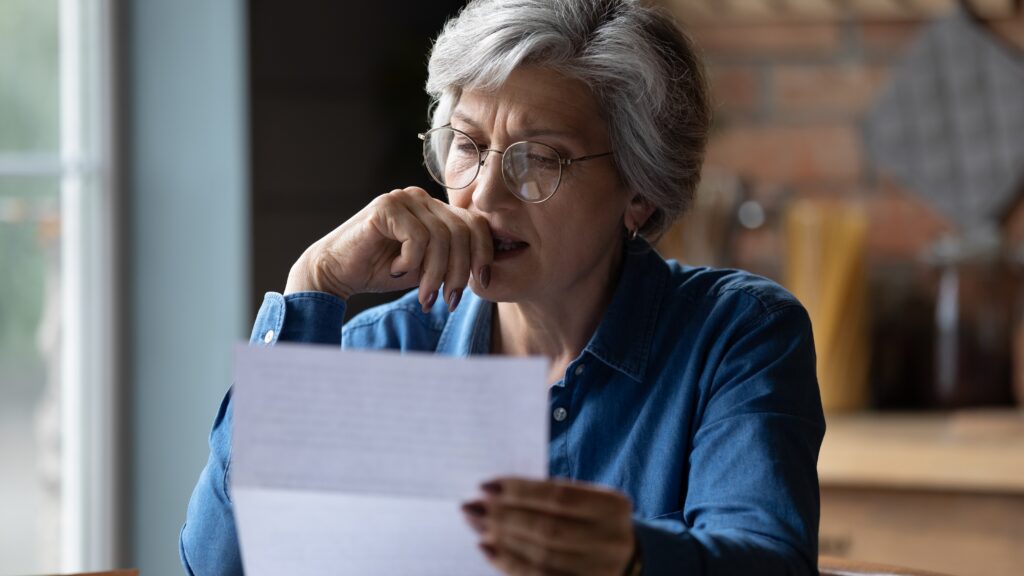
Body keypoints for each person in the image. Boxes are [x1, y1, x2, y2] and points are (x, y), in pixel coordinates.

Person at [180, 0, 825, 574]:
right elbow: (220, 565)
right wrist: (312, 285)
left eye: (539, 158)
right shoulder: (390, 346)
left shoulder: (737, 336)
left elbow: (767, 559)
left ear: (640, 189)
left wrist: (629, 557)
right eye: (467, 145)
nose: (484, 197)